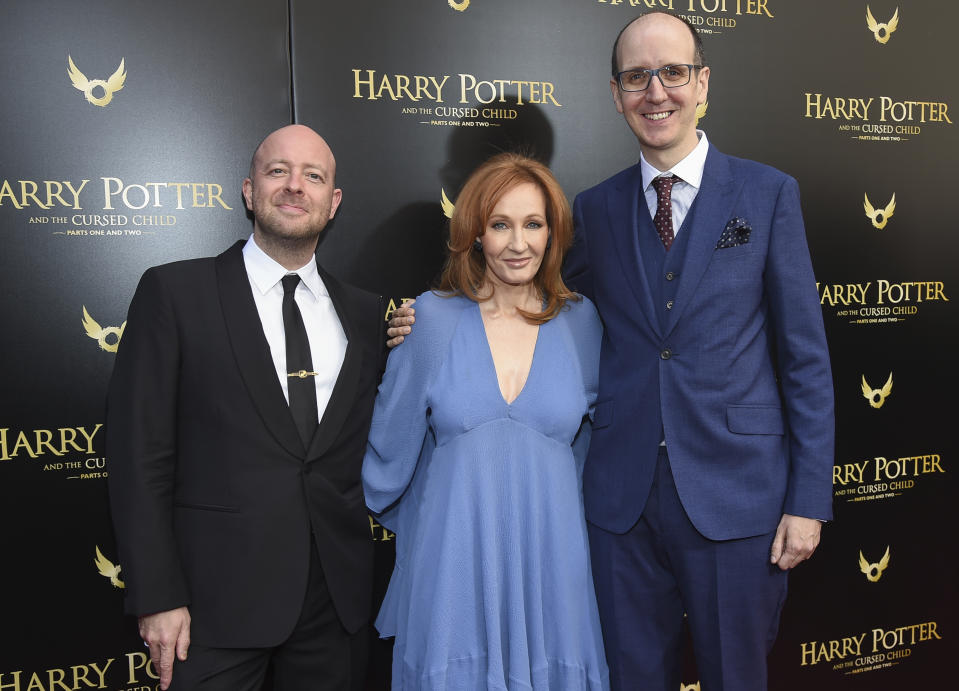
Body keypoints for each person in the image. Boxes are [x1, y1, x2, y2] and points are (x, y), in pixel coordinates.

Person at [389, 12, 834, 691]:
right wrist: (423, 321)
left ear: (701, 81)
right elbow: (533, 298)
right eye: (636, 77)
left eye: (672, 73)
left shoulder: (766, 194)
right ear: (615, 92)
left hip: (736, 500)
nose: (655, 92)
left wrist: (807, 498)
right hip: (617, 509)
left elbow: (804, 358)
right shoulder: (591, 210)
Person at [106, 124, 384, 691]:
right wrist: (157, 594)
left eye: (313, 176)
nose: (294, 186)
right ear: (248, 190)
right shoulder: (174, 294)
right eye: (277, 171)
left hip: (334, 608)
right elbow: (139, 457)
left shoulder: (366, 314)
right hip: (210, 611)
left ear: (333, 203)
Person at [363, 153, 609, 690]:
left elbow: (595, 449)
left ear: (554, 233)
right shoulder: (428, 318)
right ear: (475, 233)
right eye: (500, 224)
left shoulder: (582, 322)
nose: (517, 243)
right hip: (453, 562)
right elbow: (390, 444)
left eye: (533, 224)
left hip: (553, 564)